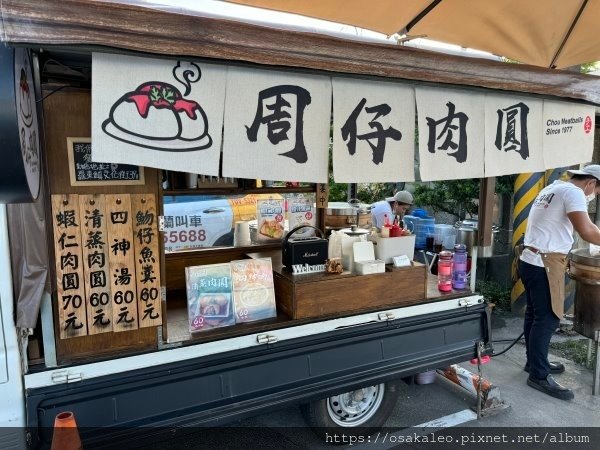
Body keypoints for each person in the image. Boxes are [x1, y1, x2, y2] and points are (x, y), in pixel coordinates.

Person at [519, 164, 600, 401]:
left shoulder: (553, 188)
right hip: (544, 262)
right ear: (591, 183)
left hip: (530, 258)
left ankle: (534, 363)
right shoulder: (574, 193)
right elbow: (586, 230)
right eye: (596, 191)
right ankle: (539, 375)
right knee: (548, 317)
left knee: (534, 314)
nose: (593, 196)